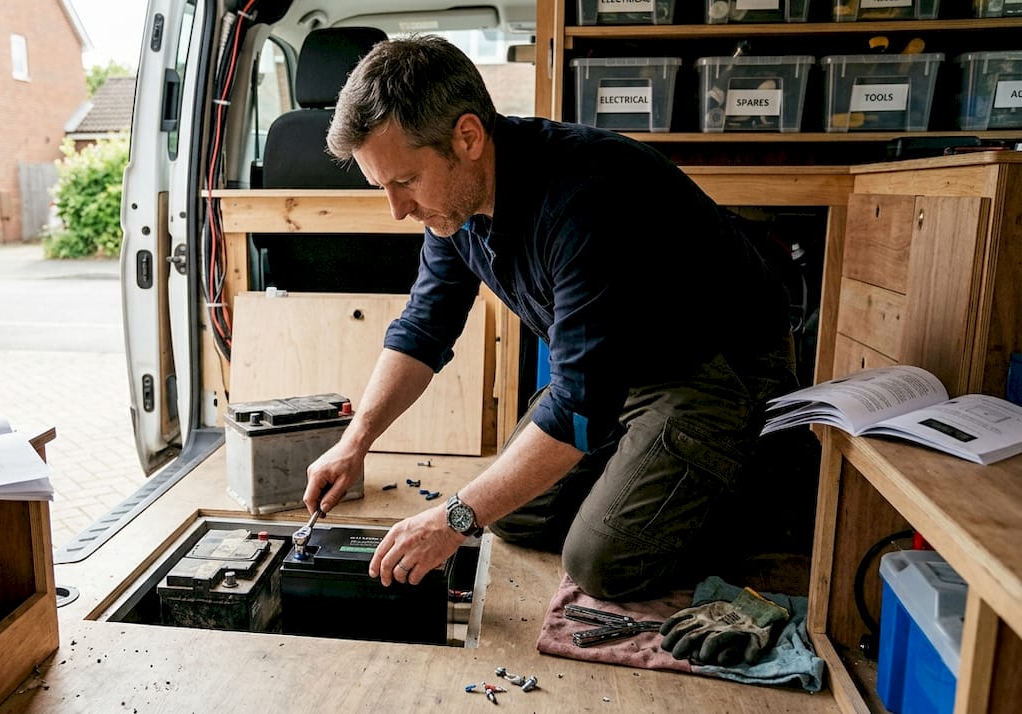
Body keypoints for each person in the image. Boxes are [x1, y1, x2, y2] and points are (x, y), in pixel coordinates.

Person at [302, 35, 797, 601]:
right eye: (382, 187)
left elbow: (578, 407)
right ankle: (649, 477)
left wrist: (452, 521)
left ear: (467, 137)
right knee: (514, 517)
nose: (397, 210)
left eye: (406, 182)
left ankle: (748, 486)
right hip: (622, 370)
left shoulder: (586, 198)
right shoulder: (455, 207)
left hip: (717, 370)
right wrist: (355, 442)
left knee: (599, 563)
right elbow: (424, 327)